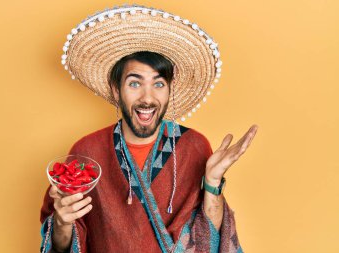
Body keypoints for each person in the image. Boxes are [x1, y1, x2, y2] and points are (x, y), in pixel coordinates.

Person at [40, 5, 258, 253]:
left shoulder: (194, 146)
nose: (147, 97)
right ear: (115, 89)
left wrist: (212, 181)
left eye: (158, 84)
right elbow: (60, 246)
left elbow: (209, 238)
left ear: (169, 90)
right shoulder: (87, 151)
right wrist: (61, 222)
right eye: (135, 83)